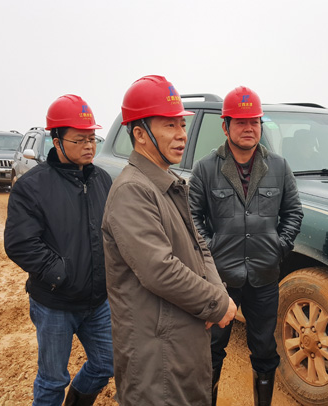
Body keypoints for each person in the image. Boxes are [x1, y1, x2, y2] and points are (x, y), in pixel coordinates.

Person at [101, 75, 237, 406]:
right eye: (170, 125)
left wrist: (218, 292)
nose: (181, 135)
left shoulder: (168, 182)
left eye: (182, 125)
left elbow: (199, 247)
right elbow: (159, 269)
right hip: (156, 351)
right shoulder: (133, 191)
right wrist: (217, 304)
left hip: (181, 338)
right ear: (139, 134)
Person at [188, 86, 303, 406]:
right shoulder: (206, 168)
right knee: (211, 349)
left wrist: (278, 247)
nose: (249, 128)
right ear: (225, 127)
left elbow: (293, 212)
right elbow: (192, 217)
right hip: (219, 279)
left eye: (254, 121)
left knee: (265, 350)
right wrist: (211, 251)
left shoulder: (278, 167)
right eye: (240, 122)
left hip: (264, 277)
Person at [4, 95, 114, 406]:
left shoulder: (102, 180)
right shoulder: (32, 186)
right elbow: (19, 242)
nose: (89, 146)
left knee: (106, 363)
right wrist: (60, 273)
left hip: (98, 301)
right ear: (57, 141)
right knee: (52, 380)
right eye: (80, 139)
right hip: (55, 302)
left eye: (92, 138)